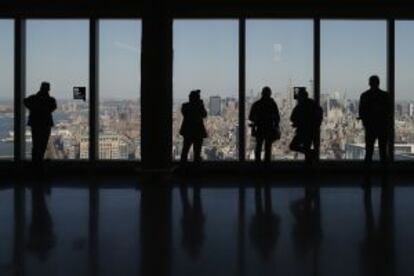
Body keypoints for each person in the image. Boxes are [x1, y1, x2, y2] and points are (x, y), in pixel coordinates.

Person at [359, 75, 390, 166]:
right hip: (382, 127)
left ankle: (367, 175)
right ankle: (384, 175)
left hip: (370, 127)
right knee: (383, 152)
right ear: (378, 83)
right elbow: (389, 111)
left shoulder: (364, 95)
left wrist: (366, 123)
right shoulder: (385, 95)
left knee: (369, 152)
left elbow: (361, 112)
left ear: (369, 83)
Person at [24, 82, 57, 163]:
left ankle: (35, 163)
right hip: (46, 125)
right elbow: (53, 107)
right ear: (49, 89)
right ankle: (39, 162)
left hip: (35, 124)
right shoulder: (51, 100)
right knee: (43, 144)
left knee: (36, 144)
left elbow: (25, 101)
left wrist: (33, 108)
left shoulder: (33, 98)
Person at [289, 87, 323, 163]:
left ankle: (310, 154)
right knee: (309, 153)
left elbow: (292, 118)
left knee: (293, 146)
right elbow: (320, 115)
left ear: (301, 97)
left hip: (303, 131)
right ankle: (311, 167)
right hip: (314, 131)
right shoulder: (314, 104)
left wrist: (297, 123)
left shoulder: (300, 106)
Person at [248, 87, 280, 162]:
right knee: (268, 149)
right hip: (269, 129)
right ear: (270, 94)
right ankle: (266, 166)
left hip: (260, 128)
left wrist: (257, 120)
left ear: (262, 94)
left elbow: (251, 117)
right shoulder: (272, 104)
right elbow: (277, 117)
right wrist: (276, 126)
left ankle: (258, 165)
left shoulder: (257, 104)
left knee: (258, 147)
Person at [179, 90, 207, 163]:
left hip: (188, 131)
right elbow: (204, 114)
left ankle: (183, 168)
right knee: (196, 153)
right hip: (198, 132)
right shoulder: (196, 106)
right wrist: (200, 105)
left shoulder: (185, 106)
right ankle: (195, 169)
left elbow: (203, 115)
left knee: (185, 151)